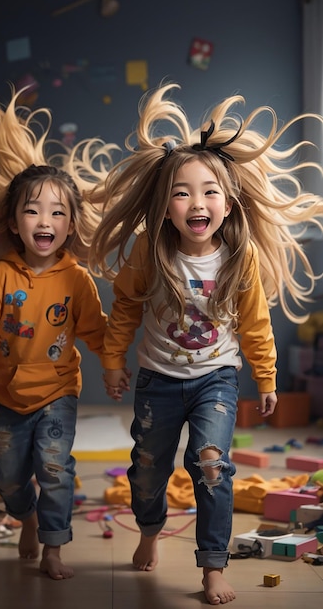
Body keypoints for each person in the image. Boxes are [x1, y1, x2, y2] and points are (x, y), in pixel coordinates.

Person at [89, 82, 323, 604]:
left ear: (229, 200)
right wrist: (111, 362)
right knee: (149, 465)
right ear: (165, 206)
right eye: (182, 192)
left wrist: (266, 376)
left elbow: (256, 324)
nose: (197, 202)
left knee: (211, 462)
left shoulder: (240, 259)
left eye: (209, 191)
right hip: (156, 380)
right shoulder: (149, 254)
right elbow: (125, 307)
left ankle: (212, 565)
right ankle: (150, 530)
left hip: (215, 377)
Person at [0, 86, 121, 579]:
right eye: (33, 210)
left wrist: (112, 368)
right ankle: (24, 517)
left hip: (59, 392)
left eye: (58, 212)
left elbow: (97, 330)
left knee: (56, 468)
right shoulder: (0, 275)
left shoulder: (76, 279)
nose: (45, 220)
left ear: (70, 225)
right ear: (15, 221)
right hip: (6, 395)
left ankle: (53, 547)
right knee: (10, 479)